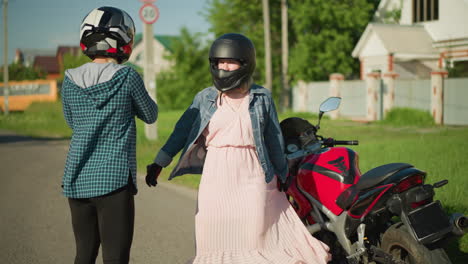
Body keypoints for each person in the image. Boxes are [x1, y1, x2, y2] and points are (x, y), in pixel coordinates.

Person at [146, 33, 330, 263]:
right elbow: (181, 132)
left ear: (245, 63)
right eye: (219, 62)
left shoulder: (261, 97)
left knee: (252, 236)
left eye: (229, 61)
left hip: (252, 174)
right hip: (216, 176)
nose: (223, 66)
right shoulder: (204, 98)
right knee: (211, 232)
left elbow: (273, 138)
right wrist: (159, 162)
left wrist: (282, 172)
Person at [61, 6, 158, 264]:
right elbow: (150, 115)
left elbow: (72, 122)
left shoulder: (69, 80)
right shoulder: (127, 76)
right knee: (115, 257)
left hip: (77, 179)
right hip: (113, 181)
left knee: (84, 254)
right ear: (123, 38)